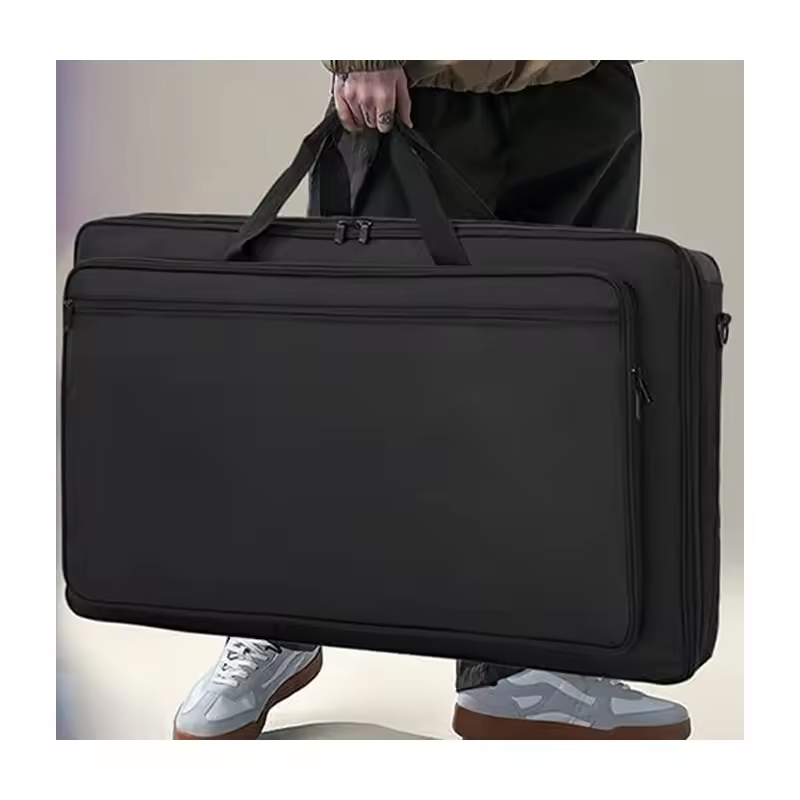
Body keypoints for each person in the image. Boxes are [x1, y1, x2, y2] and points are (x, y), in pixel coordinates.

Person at [173, 60, 691, 740]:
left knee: (561, 388)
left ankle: (517, 671)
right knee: (346, 377)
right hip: (417, 93)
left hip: (583, 87)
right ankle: (276, 620)